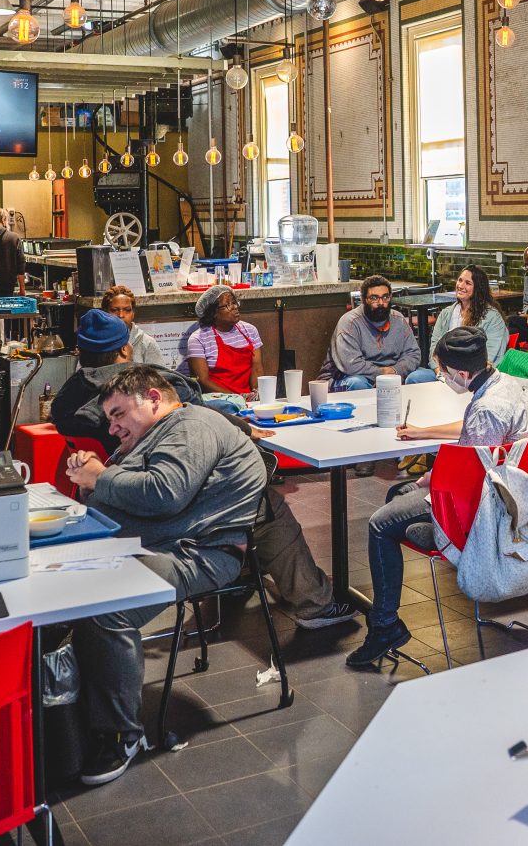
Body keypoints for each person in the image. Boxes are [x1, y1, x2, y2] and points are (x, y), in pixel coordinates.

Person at [52, 311, 355, 634]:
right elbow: (192, 421)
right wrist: (239, 428)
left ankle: (249, 573)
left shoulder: (68, 398)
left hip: (121, 507)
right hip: (171, 517)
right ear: (125, 349)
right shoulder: (142, 387)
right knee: (266, 504)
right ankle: (314, 602)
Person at [63, 365, 268, 784]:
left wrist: (100, 477)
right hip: (150, 546)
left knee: (108, 606)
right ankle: (66, 712)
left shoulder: (191, 424)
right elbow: (129, 489)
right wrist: (92, 482)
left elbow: (164, 493)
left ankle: (122, 734)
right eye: (110, 419)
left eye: (120, 414)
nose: (114, 427)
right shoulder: (151, 436)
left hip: (197, 555)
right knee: (60, 590)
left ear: (154, 398)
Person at [345, 327, 528, 669]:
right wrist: (423, 434)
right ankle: (385, 617)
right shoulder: (504, 385)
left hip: (479, 515)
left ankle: (384, 626)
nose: (442, 378)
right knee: (397, 495)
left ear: (462, 373)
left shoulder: (486, 410)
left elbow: (469, 475)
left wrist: (430, 478)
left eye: (443, 373)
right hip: (505, 499)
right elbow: (472, 438)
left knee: (379, 523)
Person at [327, 275, 437, 390]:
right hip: (355, 376)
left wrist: (395, 371)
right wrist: (380, 374)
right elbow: (351, 365)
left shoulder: (398, 319)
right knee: (358, 383)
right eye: (374, 298)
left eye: (385, 297)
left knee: (423, 377)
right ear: (364, 299)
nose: (381, 303)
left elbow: (413, 354)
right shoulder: (350, 323)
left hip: (395, 373)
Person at [181, 285, 263, 400]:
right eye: (227, 305)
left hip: (248, 399)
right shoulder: (198, 339)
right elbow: (203, 380)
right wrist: (236, 398)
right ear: (213, 313)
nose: (234, 307)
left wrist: (256, 394)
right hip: (218, 401)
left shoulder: (250, 331)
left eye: (234, 302)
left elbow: (257, 369)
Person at [429, 265, 508, 364]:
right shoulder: (445, 313)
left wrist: (459, 375)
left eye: (468, 283)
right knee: (415, 377)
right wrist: (439, 371)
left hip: (474, 374)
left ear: (478, 288)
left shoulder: (493, 318)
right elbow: (434, 348)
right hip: (443, 371)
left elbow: (489, 356)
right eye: (460, 280)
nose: (461, 286)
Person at [100, 285, 165, 366]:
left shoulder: (147, 343)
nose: (121, 315)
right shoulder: (95, 341)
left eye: (127, 310)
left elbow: (160, 377)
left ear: (133, 313)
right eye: (114, 310)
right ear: (105, 313)